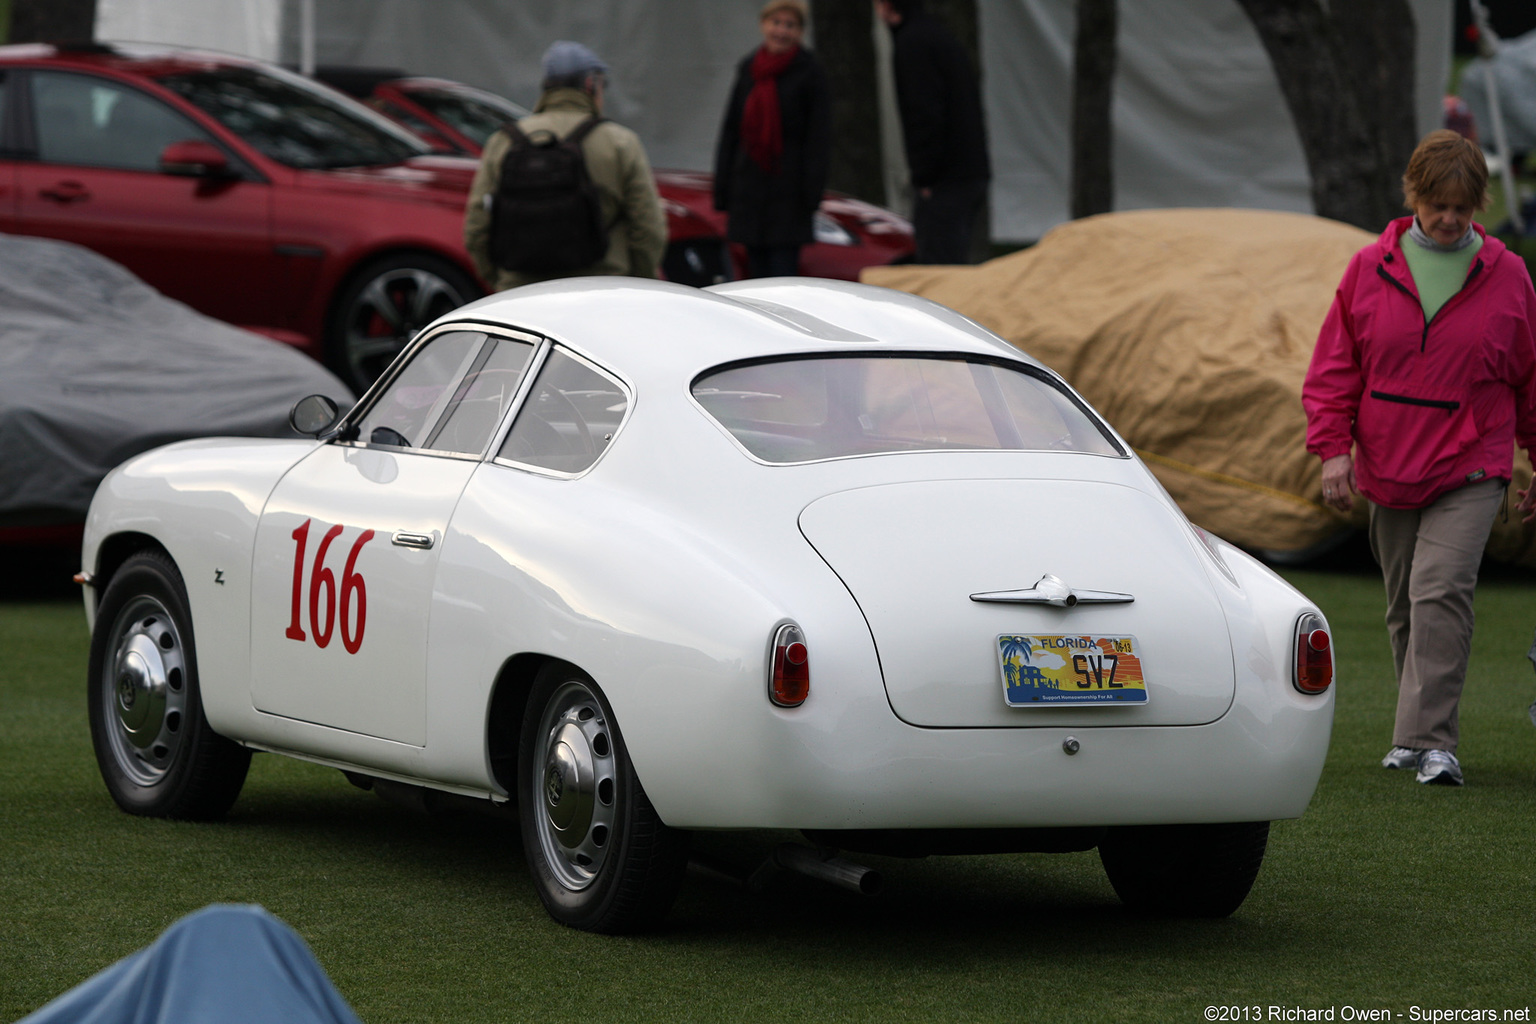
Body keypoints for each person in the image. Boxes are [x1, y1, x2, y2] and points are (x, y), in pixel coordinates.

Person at [1303, 129, 1536, 786]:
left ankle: (1432, 743)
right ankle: (1414, 736)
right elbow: (1333, 370)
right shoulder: (1366, 271)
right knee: (1406, 603)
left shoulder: (1509, 275)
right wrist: (1332, 452)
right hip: (1389, 462)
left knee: (1441, 592)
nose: (1450, 219)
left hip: (1472, 462)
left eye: (1463, 208)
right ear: (1413, 197)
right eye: (1438, 205)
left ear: (1479, 205)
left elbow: (1531, 376)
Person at [464, 41, 667, 291]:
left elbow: (476, 227)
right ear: (591, 84)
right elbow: (648, 229)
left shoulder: (504, 141)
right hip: (603, 287)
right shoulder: (620, 142)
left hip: (521, 295)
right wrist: (639, 280)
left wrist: (501, 281)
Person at [713, 0, 831, 279]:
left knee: (782, 277)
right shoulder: (749, 68)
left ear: (800, 32)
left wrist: (811, 195)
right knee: (754, 278)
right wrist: (723, 189)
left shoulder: (811, 73)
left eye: (789, 25)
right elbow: (732, 130)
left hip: (789, 197)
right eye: (776, 23)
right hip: (750, 192)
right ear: (763, 25)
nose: (781, 31)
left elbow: (818, 138)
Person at [874, 0, 990, 265]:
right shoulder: (936, 35)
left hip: (945, 179)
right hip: (966, 172)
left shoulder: (913, 44)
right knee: (953, 260)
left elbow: (924, 113)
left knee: (938, 267)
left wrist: (926, 176)